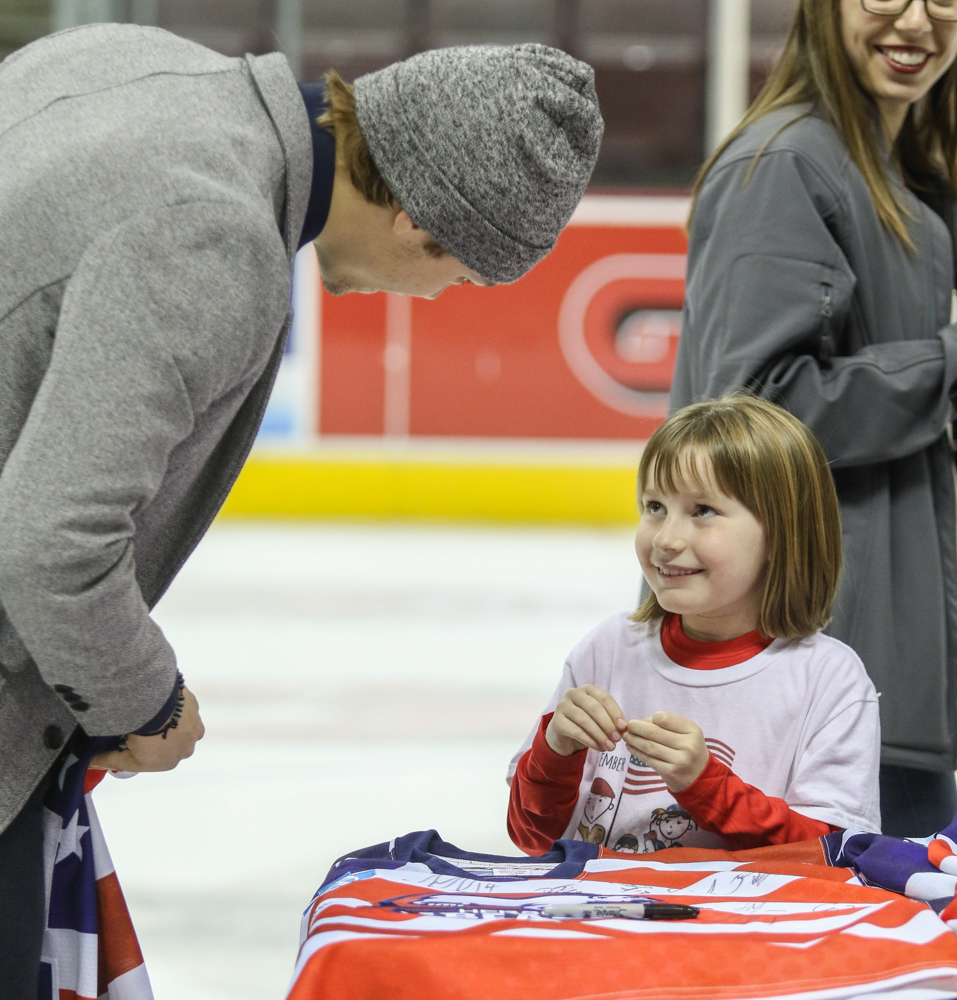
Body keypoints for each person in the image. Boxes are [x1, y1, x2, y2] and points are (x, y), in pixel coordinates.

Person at [0, 22, 603, 998]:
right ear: (418, 217)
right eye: (465, 273)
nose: (441, 298)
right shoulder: (220, 235)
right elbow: (49, 543)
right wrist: (143, 700)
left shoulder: (137, 60)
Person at [670, 0, 957, 837]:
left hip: (882, 676)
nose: (913, 20)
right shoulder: (786, 165)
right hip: (800, 684)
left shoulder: (904, 176)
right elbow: (751, 411)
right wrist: (945, 366)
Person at [507, 396, 881, 856]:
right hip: (603, 914)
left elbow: (835, 855)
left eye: (702, 510)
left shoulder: (828, 679)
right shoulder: (608, 649)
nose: (665, 539)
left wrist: (706, 786)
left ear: (782, 531)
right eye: (655, 506)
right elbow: (533, 837)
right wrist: (554, 749)